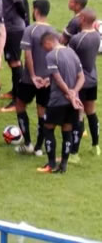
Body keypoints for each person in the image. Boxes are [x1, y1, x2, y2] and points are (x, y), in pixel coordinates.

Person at [13, 0, 55, 156]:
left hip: (30, 79)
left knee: (20, 105)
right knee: (42, 111)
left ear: (36, 10)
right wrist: (49, 78)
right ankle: (38, 147)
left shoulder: (30, 30)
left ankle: (28, 143)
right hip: (47, 80)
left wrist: (32, 75)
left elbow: (28, 55)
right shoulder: (53, 31)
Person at [38, 31, 84, 174]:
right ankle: (63, 165)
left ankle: (51, 164)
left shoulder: (51, 55)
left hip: (58, 100)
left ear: (48, 42)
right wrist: (74, 93)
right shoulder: (72, 52)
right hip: (71, 102)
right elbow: (81, 77)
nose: (44, 49)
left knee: (48, 128)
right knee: (67, 130)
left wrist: (69, 93)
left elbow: (58, 79)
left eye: (43, 46)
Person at [68, 9, 100, 159]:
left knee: (78, 116)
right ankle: (96, 146)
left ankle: (74, 154)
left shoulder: (77, 39)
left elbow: (69, 59)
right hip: (93, 79)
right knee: (91, 112)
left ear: (82, 19)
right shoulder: (97, 36)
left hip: (80, 82)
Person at [0, 0, 29, 111]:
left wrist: (23, 19)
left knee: (15, 62)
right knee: (13, 61)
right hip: (15, 25)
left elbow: (19, 4)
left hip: (13, 27)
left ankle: (19, 99)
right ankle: (14, 91)